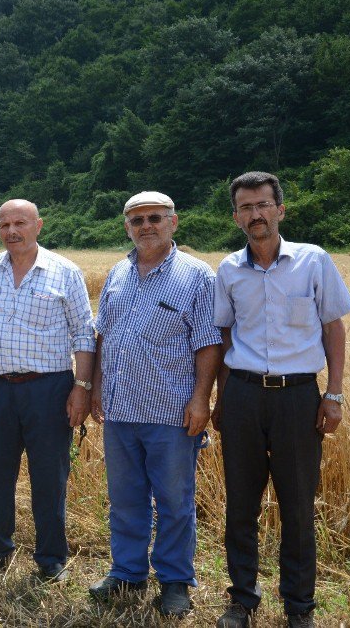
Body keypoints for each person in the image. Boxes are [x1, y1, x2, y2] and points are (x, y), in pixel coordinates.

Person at [213, 172, 350, 628]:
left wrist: (333, 394)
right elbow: (225, 335)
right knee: (241, 505)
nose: (255, 214)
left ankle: (299, 608)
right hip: (243, 397)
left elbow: (334, 327)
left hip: (298, 399)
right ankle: (242, 600)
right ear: (236, 216)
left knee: (296, 507)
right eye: (246, 207)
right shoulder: (229, 269)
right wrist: (221, 398)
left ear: (280, 210)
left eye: (263, 205)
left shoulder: (313, 261)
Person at [88, 191, 222, 616]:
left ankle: (175, 580)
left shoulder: (197, 276)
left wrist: (201, 400)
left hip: (171, 412)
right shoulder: (118, 273)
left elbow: (208, 343)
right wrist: (94, 389)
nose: (146, 226)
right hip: (120, 409)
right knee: (125, 498)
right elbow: (103, 336)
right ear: (127, 227)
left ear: (173, 222)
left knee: (174, 502)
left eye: (154, 218)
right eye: (137, 220)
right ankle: (127, 572)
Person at [0, 199, 95, 583]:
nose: (11, 231)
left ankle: (51, 557)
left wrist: (81, 388)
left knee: (49, 475)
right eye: (4, 224)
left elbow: (84, 333)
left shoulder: (65, 271)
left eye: (19, 223)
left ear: (39, 225)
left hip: (49, 389)